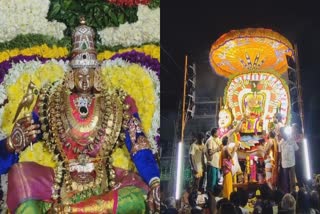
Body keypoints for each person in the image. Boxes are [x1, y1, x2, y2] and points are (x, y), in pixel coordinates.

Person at [0, 20, 160, 213]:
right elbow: (24, 138)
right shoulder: (50, 101)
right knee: (23, 189)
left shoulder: (119, 102)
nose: (84, 80)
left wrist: (155, 181)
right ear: (71, 73)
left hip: (106, 187)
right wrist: (11, 143)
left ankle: (71, 210)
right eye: (79, 74)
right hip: (60, 187)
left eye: (89, 74)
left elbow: (139, 147)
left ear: (97, 72)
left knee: (138, 198)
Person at [279, 127, 299, 193]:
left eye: (282, 132)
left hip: (292, 163)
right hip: (284, 164)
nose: (281, 134)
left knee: (292, 181)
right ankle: (287, 194)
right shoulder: (280, 143)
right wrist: (280, 163)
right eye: (281, 133)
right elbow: (280, 154)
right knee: (286, 181)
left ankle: (293, 193)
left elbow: (297, 150)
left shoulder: (292, 140)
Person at [205, 128, 222, 193]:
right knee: (212, 181)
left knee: (217, 180)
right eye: (217, 132)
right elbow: (210, 152)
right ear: (214, 133)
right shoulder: (210, 140)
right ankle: (210, 195)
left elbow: (221, 146)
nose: (219, 133)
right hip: (212, 164)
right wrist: (217, 150)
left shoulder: (217, 139)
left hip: (217, 164)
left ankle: (215, 195)